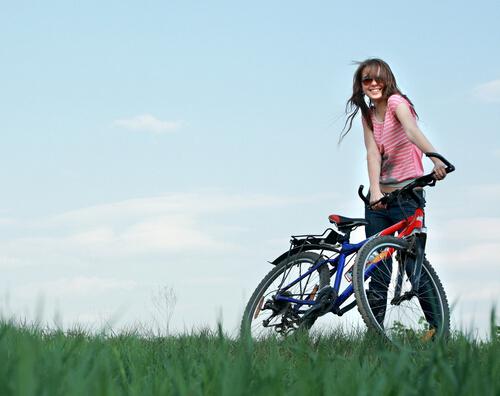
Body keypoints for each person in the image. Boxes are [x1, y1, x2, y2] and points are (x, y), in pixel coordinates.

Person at [342, 58, 447, 325]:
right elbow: (372, 152)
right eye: (367, 80)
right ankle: (375, 334)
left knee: (414, 265)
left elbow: (412, 131)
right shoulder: (367, 115)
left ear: (387, 80)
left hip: (407, 198)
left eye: (378, 78)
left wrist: (435, 158)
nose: (374, 84)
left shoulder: (397, 103)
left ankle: (439, 332)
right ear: (361, 85)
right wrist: (375, 191)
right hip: (380, 201)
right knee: (378, 268)